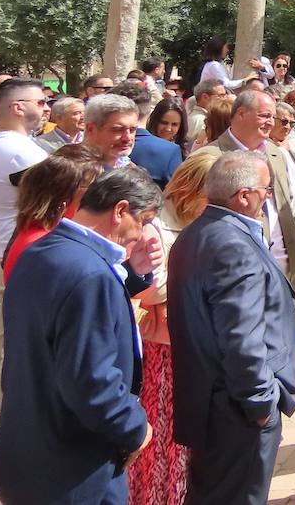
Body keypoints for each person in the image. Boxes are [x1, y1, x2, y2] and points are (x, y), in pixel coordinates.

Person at [0, 167, 161, 505]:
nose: (141, 235)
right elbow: (92, 381)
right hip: (76, 466)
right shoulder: (90, 275)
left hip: (31, 450)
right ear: (120, 211)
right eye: (142, 221)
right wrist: (136, 426)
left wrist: (133, 274)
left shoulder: (42, 252)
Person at [168, 151, 295, 505]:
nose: (268, 197)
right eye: (266, 190)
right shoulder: (232, 245)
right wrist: (261, 405)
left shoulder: (197, 233)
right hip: (237, 411)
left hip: (215, 406)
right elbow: (241, 337)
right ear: (244, 196)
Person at [129, 153, 217, 505]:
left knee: (182, 445)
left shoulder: (198, 223)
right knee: (161, 443)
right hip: (163, 352)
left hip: (191, 348)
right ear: (190, 189)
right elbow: (151, 286)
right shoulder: (156, 228)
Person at [0, 78, 48, 435]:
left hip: (17, 251)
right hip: (17, 254)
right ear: (17, 106)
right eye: (40, 100)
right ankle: (3, 428)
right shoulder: (14, 148)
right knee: (11, 345)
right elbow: (64, 186)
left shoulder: (15, 144)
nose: (46, 106)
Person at [186, 88, 295, 286]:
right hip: (235, 271)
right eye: (265, 115)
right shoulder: (208, 158)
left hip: (283, 270)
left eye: (273, 117)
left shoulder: (275, 152)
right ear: (240, 114)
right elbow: (189, 216)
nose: (271, 122)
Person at [2, 145, 107, 281]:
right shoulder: (45, 245)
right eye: (92, 188)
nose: (97, 196)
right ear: (62, 195)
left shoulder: (39, 234)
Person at [125, 85, 183, 187]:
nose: (168, 129)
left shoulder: (180, 149)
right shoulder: (170, 150)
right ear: (154, 120)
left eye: (174, 124)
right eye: (164, 123)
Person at [184, 79, 227, 150]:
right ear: (205, 97)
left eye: (225, 95)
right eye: (221, 96)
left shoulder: (193, 117)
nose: (225, 99)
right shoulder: (202, 121)